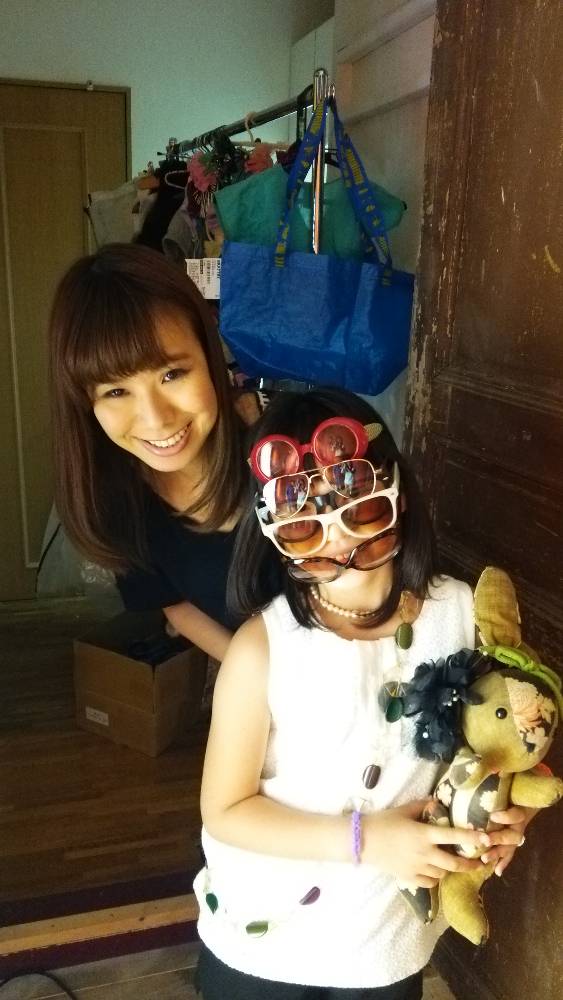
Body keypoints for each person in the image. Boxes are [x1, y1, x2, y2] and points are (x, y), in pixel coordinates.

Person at [194, 387, 534, 999]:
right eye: (305, 524)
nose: (338, 540)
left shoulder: (465, 616)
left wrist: (512, 808)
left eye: (359, 508)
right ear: (274, 531)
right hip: (264, 936)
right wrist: (366, 839)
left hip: (385, 939)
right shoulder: (261, 649)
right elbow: (225, 810)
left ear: (397, 495)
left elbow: (515, 728)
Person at [48, 243, 276, 661]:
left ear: (209, 356)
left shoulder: (287, 448)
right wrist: (257, 676)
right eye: (116, 392)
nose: (156, 420)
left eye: (172, 374)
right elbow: (173, 603)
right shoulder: (120, 507)